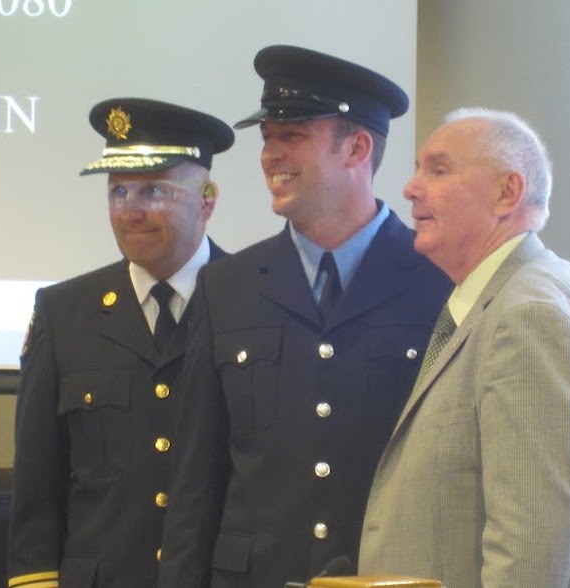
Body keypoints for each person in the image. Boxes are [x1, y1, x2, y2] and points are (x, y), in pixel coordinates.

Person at [157, 45, 452, 588]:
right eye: (267, 137)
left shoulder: (438, 282)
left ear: (357, 147)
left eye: (291, 136)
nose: (270, 154)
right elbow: (195, 481)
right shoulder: (227, 288)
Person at [358, 107, 570, 586]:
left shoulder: (527, 316)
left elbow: (530, 556)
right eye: (417, 169)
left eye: (438, 169)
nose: (411, 188)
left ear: (506, 193)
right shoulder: (523, 295)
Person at [7, 98, 234, 588]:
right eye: (118, 192)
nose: (131, 211)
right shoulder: (65, 313)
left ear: (208, 199)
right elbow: (38, 483)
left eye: (155, 190)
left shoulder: (251, 301)